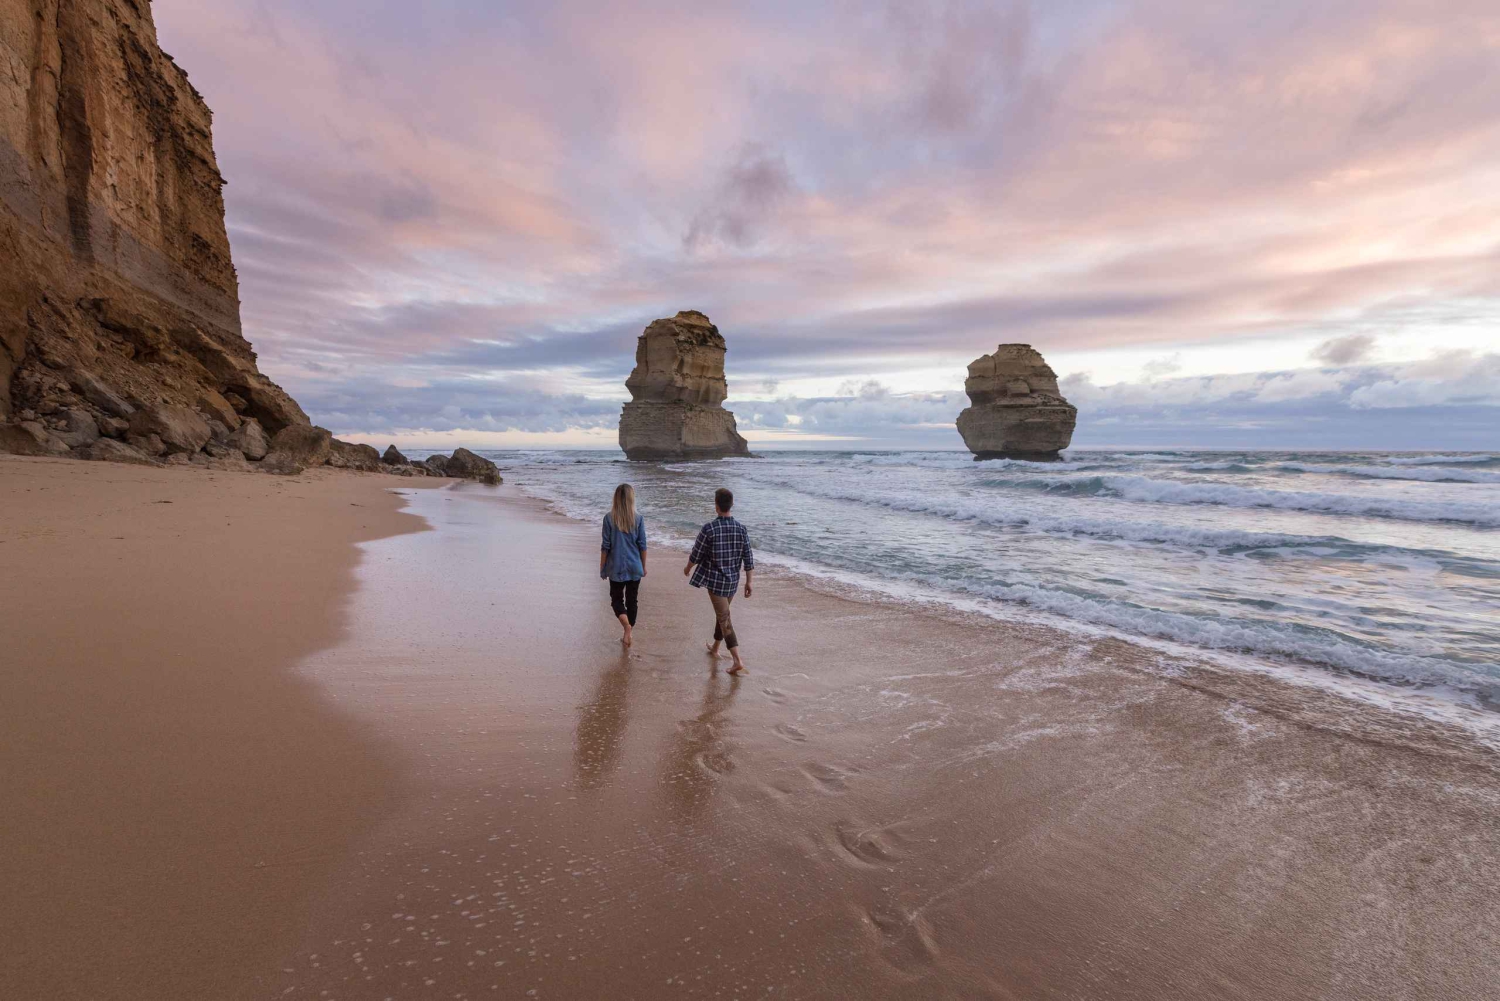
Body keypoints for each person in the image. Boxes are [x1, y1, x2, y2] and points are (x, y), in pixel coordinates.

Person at [683, 486, 754, 674]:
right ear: (731, 505)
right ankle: (715, 647)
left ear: (716, 506)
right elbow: (748, 557)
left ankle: (738, 660)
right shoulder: (741, 529)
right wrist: (749, 581)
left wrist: (688, 568)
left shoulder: (710, 528)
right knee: (723, 615)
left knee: (724, 618)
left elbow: (697, 554)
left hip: (715, 583)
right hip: (732, 582)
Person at [600, 483, 647, 648]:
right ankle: (629, 631)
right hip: (634, 566)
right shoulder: (638, 518)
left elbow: (605, 546)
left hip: (616, 567)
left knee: (616, 600)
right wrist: (644, 566)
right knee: (632, 601)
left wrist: (602, 567)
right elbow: (642, 546)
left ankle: (626, 627)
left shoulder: (608, 518)